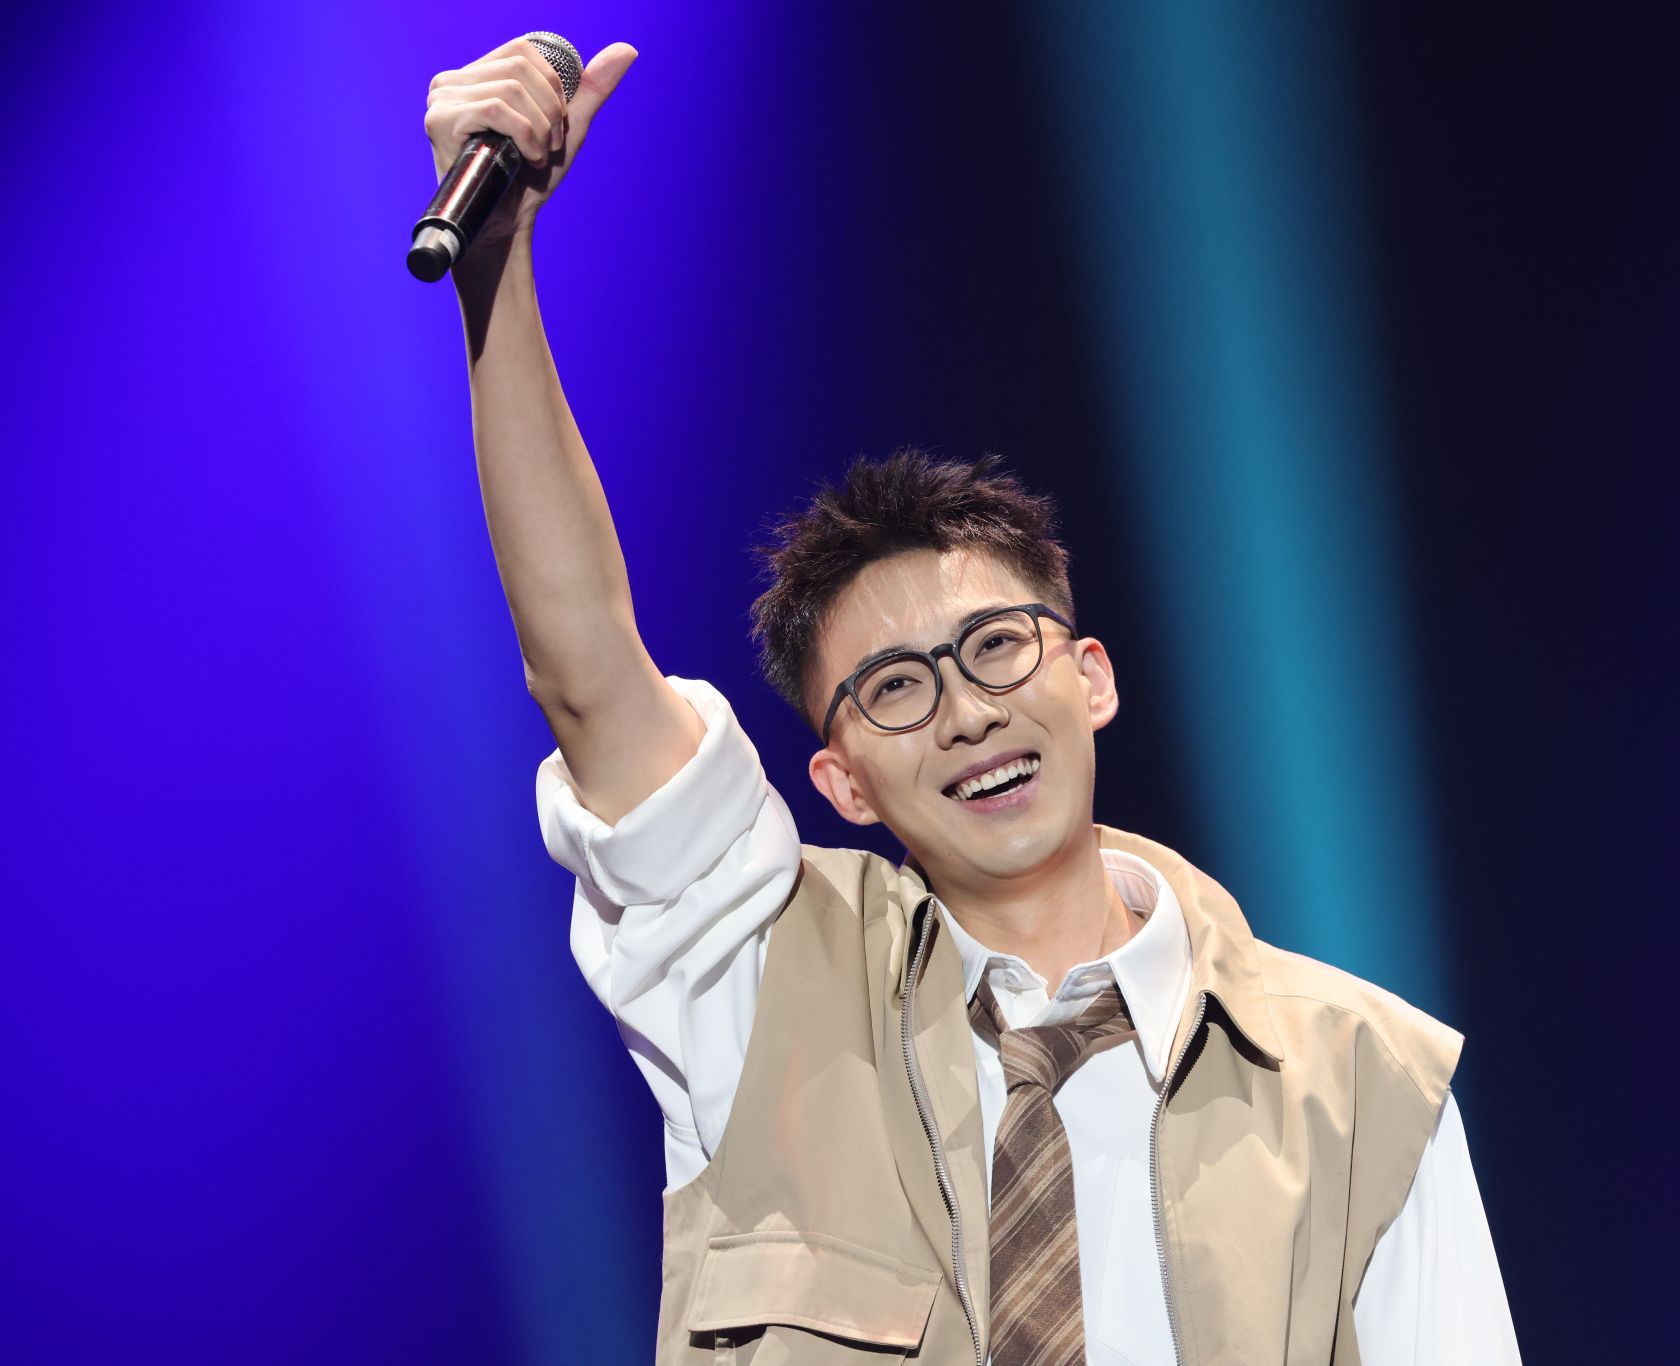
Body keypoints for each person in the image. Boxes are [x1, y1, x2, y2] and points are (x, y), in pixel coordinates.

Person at [426, 33, 1522, 1366]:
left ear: (1090, 674)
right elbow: (587, 676)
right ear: (840, 779)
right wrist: (498, 267)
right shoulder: (759, 981)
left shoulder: (1365, 1083)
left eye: (997, 646)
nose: (965, 711)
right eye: (894, 687)